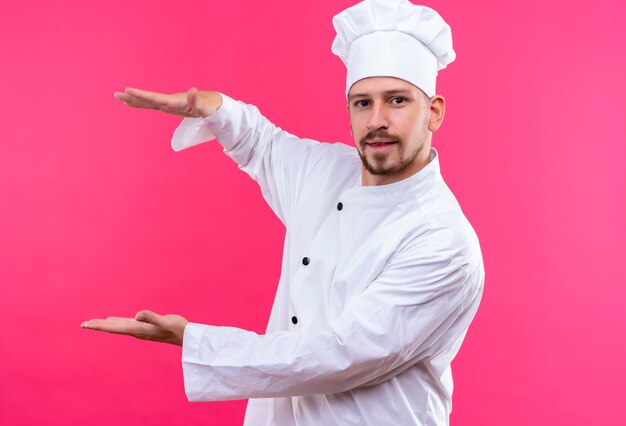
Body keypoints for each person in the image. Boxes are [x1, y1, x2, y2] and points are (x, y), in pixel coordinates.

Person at [81, 0, 484, 424]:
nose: (376, 120)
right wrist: (215, 107)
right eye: (362, 103)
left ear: (433, 111)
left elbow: (339, 354)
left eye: (397, 100)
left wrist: (196, 340)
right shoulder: (327, 171)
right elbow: (263, 144)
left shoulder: (444, 242)